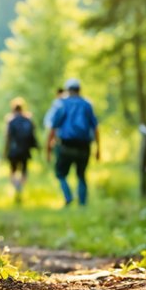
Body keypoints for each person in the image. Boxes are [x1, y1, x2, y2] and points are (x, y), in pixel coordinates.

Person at [46, 78, 100, 206]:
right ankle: (82, 204)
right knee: (81, 175)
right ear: (79, 90)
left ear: (67, 90)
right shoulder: (87, 105)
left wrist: (48, 147)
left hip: (66, 145)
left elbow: (53, 127)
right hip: (84, 145)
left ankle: (68, 196)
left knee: (60, 174)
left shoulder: (62, 104)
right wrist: (99, 148)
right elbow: (95, 128)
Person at [4, 98, 38, 204]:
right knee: (24, 171)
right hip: (25, 150)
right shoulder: (28, 119)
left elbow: (8, 137)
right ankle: (21, 186)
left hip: (13, 150)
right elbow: (33, 135)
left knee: (13, 171)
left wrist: (5, 151)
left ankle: (16, 186)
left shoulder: (10, 120)